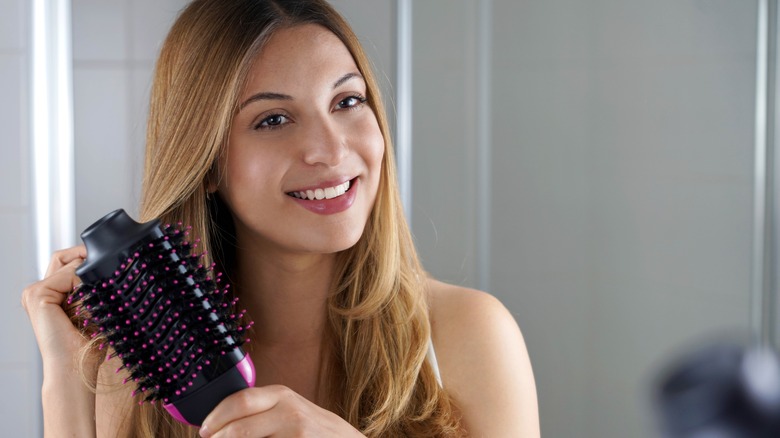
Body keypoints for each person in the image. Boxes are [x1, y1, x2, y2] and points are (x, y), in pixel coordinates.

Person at [22, 1, 539, 436]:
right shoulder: (138, 372)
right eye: (272, 119)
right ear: (206, 164)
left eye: (347, 101)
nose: (330, 150)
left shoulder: (465, 335)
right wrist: (65, 381)